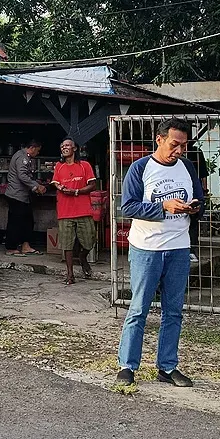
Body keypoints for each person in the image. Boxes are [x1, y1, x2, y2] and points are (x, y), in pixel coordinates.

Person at [115, 118, 203, 388]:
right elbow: (128, 207)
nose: (179, 151)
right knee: (139, 308)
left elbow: (200, 199)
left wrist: (194, 208)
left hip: (178, 247)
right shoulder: (140, 168)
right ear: (160, 139)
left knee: (173, 311)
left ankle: (167, 367)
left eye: (183, 146)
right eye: (174, 144)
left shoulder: (187, 167)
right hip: (147, 248)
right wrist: (164, 207)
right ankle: (127, 365)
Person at [52, 138, 97, 285]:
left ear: (75, 148)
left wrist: (76, 191)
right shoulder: (59, 166)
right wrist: (61, 188)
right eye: (62, 146)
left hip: (83, 209)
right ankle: (70, 274)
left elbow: (92, 185)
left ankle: (83, 257)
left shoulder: (84, 165)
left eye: (67, 145)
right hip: (65, 210)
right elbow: (56, 183)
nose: (64, 148)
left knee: (90, 240)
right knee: (67, 244)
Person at [5, 139, 46, 256]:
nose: (38, 153)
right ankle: (11, 247)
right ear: (32, 148)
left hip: (22, 196)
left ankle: (25, 246)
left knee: (27, 221)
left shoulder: (25, 157)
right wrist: (36, 186)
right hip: (16, 195)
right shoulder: (21, 157)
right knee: (15, 222)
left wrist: (34, 184)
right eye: (37, 151)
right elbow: (22, 175)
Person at [186, 143, 210, 266]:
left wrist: (204, 190)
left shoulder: (195, 152)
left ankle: (191, 250)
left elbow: (203, 173)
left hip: (194, 190)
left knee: (193, 219)